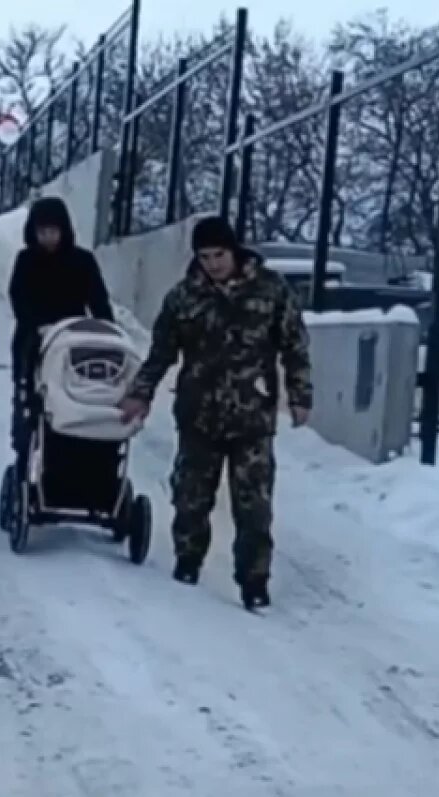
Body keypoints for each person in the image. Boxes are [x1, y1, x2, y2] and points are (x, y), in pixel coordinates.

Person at [118, 216, 312, 610]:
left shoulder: (271, 290)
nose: (212, 264)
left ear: (234, 250)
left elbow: (295, 346)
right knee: (191, 497)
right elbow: (161, 353)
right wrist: (141, 393)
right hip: (198, 414)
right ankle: (188, 560)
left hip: (252, 416)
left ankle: (254, 581)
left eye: (219, 255)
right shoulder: (183, 297)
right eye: (204, 256)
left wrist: (300, 395)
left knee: (253, 506)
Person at [8, 196, 114, 454]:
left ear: (64, 231)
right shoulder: (26, 261)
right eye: (42, 232)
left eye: (53, 231)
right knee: (33, 400)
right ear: (33, 232)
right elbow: (18, 297)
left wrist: (106, 332)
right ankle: (27, 447)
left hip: (74, 338)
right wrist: (36, 325)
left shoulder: (82, 261)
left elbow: (98, 300)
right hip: (35, 339)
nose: (48, 237)